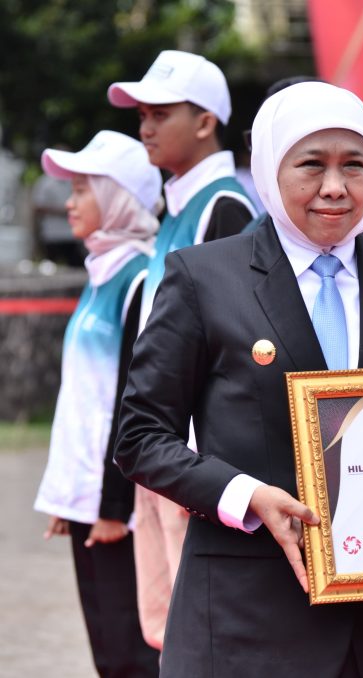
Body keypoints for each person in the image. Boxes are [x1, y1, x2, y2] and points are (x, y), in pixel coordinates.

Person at [114, 82, 363, 678]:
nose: (335, 187)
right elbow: (141, 435)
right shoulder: (203, 278)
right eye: (312, 165)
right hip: (247, 616)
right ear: (271, 169)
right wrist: (244, 496)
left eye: (355, 166)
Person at [107, 48, 257, 650]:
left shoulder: (226, 206)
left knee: (200, 631)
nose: (145, 124)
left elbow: (233, 341)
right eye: (141, 112)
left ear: (205, 121)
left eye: (161, 112)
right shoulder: (179, 206)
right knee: (163, 627)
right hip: (162, 448)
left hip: (191, 457)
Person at [33, 130, 162, 677]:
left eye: (83, 190)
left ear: (117, 198)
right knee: (106, 650)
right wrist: (70, 497)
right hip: (91, 501)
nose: (69, 202)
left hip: (120, 507)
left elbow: (133, 403)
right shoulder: (101, 273)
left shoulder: (137, 281)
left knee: (129, 652)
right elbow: (82, 398)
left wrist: (112, 507)